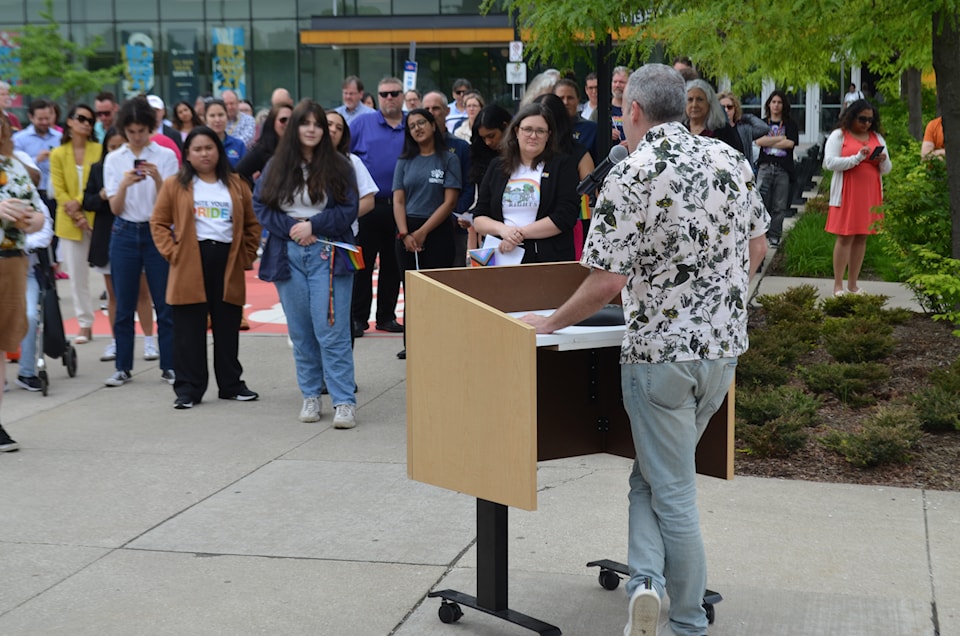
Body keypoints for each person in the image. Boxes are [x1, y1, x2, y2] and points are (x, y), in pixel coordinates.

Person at [520, 63, 768, 636]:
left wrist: (549, 323)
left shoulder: (632, 173)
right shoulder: (730, 159)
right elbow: (757, 247)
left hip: (660, 357)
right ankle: (645, 585)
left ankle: (685, 620)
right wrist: (717, 301)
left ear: (632, 111)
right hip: (722, 352)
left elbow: (606, 281)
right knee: (653, 477)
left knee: (672, 490)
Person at [253, 100, 359, 427]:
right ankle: (311, 396)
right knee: (300, 331)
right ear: (294, 128)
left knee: (332, 330)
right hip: (288, 254)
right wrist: (293, 230)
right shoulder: (276, 165)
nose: (311, 129)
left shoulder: (340, 165)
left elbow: (349, 208)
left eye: (317, 124)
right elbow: (261, 204)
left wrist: (315, 226)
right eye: (304, 123)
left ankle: (343, 402)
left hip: (329, 252)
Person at [151, 126, 261, 409]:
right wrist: (173, 253)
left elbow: (252, 224)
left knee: (227, 327)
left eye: (209, 148)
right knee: (188, 330)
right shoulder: (175, 184)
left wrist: (246, 255)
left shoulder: (236, 184)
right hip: (189, 261)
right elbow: (159, 223)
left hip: (227, 261)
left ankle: (231, 385)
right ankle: (188, 389)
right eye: (197, 149)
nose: (204, 153)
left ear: (218, 151)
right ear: (187, 154)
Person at [102, 96, 179, 387]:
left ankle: (169, 365)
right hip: (124, 231)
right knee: (123, 303)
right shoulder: (114, 159)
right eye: (131, 131)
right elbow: (115, 208)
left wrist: (159, 180)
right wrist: (123, 184)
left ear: (151, 128)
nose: (137, 137)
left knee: (165, 303)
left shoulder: (165, 156)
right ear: (124, 129)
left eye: (142, 131)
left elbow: (168, 205)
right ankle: (123, 367)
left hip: (156, 230)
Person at [83, 127, 160, 363]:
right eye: (111, 147)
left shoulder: (147, 164)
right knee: (115, 296)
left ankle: (149, 340)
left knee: (143, 293)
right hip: (110, 233)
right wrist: (107, 194)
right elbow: (88, 200)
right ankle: (117, 342)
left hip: (140, 228)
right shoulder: (101, 168)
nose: (116, 150)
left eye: (120, 146)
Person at [473, 102, 581, 264]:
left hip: (547, 259)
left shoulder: (563, 165)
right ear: (516, 131)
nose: (533, 135)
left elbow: (565, 216)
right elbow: (479, 218)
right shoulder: (497, 166)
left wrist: (518, 235)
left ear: (549, 135)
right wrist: (503, 230)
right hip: (500, 255)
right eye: (528, 129)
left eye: (540, 131)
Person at [392, 108, 461, 358]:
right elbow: (398, 200)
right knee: (411, 289)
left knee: (437, 290)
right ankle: (412, 343)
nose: (418, 128)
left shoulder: (448, 159)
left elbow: (449, 202)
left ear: (433, 125)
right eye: (412, 126)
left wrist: (422, 232)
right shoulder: (404, 161)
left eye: (422, 122)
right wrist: (405, 234)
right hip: (406, 231)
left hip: (437, 230)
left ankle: (438, 341)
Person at [0, 113, 50, 451]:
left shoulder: (15, 166)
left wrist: (30, 220)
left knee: (2, 344)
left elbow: (39, 215)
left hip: (11, 263)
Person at [349, 77, 406, 337]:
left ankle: (386, 316)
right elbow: (344, 156)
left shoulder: (411, 123)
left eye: (394, 93)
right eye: (384, 94)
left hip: (399, 206)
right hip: (369, 205)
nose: (389, 98)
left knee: (393, 265)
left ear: (402, 95)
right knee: (363, 263)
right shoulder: (362, 123)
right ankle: (358, 318)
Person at [823, 99, 892, 296]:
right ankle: (838, 285)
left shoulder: (876, 137)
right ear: (852, 116)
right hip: (847, 193)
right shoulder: (839, 135)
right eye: (862, 119)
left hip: (869, 194)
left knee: (861, 237)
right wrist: (857, 158)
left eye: (870, 120)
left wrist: (882, 161)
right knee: (845, 236)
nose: (866, 124)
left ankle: (853, 284)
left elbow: (887, 170)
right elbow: (829, 163)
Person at [50, 103, 101, 345]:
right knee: (77, 276)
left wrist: (81, 204)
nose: (86, 123)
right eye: (81, 118)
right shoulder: (58, 153)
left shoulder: (99, 150)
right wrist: (76, 213)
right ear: (69, 121)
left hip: (96, 217)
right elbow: (58, 190)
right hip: (70, 220)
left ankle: (115, 322)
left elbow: (100, 183)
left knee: (110, 274)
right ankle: (84, 324)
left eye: (90, 120)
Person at [12, 149, 54, 394]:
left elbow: (44, 227)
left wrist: (17, 244)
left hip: (24, 268)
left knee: (29, 314)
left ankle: (27, 371)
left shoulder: (28, 196)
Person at [420, 91, 472, 268]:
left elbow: (469, 186)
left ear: (447, 111)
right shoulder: (413, 149)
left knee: (454, 279)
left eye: (436, 108)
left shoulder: (461, 147)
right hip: (421, 225)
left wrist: (451, 214)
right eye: (426, 109)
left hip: (453, 226)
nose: (431, 112)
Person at [754, 90, 799, 247]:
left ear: (783, 105)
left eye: (779, 102)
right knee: (761, 202)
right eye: (773, 102)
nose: (776, 105)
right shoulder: (762, 123)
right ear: (769, 104)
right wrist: (780, 138)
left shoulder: (790, 124)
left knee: (779, 205)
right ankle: (759, 234)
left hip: (782, 169)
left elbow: (790, 143)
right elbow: (759, 141)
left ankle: (774, 236)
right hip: (765, 167)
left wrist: (769, 140)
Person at [12, 99, 62, 205]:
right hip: (32, 192)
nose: (44, 122)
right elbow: (15, 167)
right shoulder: (19, 139)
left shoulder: (59, 138)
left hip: (56, 192)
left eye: (47, 118)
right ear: (31, 117)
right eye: (40, 119)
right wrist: (36, 160)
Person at [236, 102, 293, 188]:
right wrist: (255, 190)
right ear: (273, 122)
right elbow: (237, 175)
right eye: (283, 120)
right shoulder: (262, 150)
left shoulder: (301, 148)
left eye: (292, 120)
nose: (288, 124)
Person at [684, 79, 742, 153]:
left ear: (709, 103)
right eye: (690, 100)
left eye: (700, 99)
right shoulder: (680, 129)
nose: (694, 105)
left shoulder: (723, 131)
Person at [717, 91, 768, 168]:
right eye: (722, 107)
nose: (726, 110)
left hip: (741, 171)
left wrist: (744, 116)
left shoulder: (743, 129)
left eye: (729, 107)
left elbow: (763, 128)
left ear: (735, 109)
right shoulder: (713, 129)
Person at [203, 98, 246, 168]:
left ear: (227, 117)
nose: (217, 120)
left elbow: (246, 174)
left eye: (220, 115)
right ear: (205, 119)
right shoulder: (200, 145)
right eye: (212, 116)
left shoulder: (238, 145)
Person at [610, 66, 631, 142]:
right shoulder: (601, 109)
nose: (617, 85)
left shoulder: (636, 108)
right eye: (615, 82)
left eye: (621, 82)